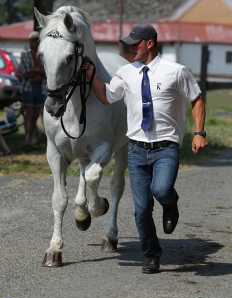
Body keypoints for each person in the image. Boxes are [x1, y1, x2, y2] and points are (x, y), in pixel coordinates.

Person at [85, 24, 208, 274]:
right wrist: (91, 78)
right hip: (137, 150)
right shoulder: (125, 73)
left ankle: (170, 202)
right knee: (141, 210)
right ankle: (151, 254)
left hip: (166, 147)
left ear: (149, 43)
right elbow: (108, 97)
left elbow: (196, 98)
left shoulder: (176, 71)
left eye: (135, 44)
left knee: (161, 189)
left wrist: (199, 132)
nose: (130, 48)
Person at [16, 31, 46, 147]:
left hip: (41, 87)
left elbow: (46, 73)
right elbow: (23, 74)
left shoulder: (43, 55)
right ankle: (28, 138)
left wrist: (35, 72)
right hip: (28, 87)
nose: (32, 43)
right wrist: (36, 71)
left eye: (34, 41)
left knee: (36, 114)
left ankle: (31, 137)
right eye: (30, 41)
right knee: (29, 114)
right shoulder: (25, 55)